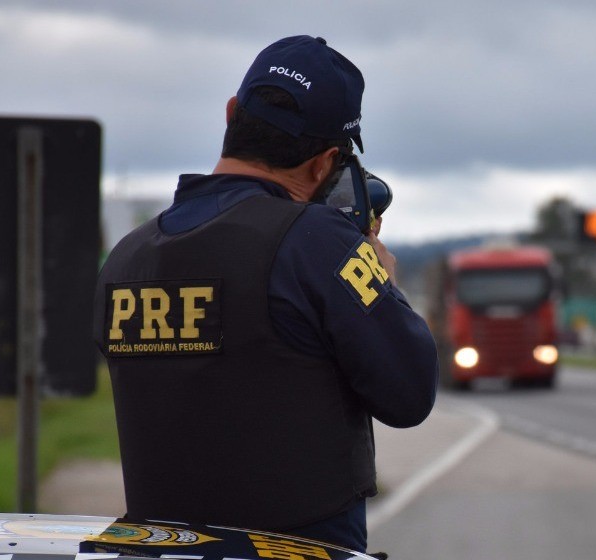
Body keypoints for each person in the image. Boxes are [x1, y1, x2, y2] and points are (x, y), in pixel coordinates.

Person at [92, 35, 438, 553]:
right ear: (324, 164)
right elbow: (409, 392)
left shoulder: (126, 258)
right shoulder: (319, 243)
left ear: (232, 114)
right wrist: (381, 279)